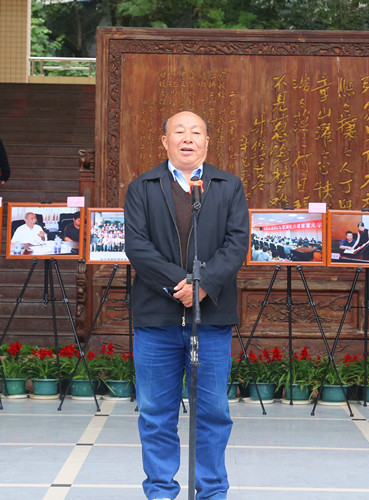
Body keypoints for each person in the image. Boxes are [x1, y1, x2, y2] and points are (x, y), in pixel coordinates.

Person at [124, 111, 249, 500]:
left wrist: (204, 285)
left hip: (210, 321)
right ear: (165, 141)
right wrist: (181, 284)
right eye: (179, 131)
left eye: (196, 132)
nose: (187, 138)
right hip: (156, 320)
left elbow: (237, 244)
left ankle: (211, 492)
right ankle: (161, 492)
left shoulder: (228, 186)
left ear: (207, 142)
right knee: (155, 415)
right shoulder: (142, 187)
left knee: (213, 414)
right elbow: (137, 246)